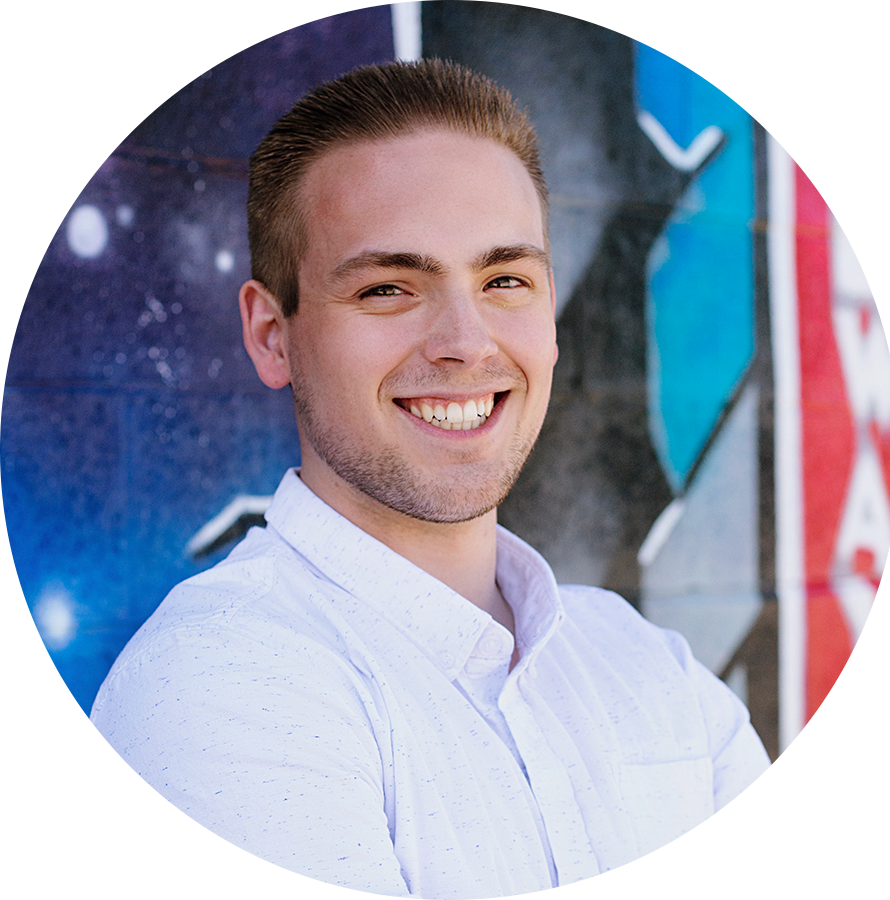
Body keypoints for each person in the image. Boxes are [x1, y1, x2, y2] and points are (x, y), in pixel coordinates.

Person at [57, 59, 840, 900]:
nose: (466, 342)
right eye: (389, 289)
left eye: (505, 281)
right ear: (272, 334)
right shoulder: (217, 689)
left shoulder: (654, 673)